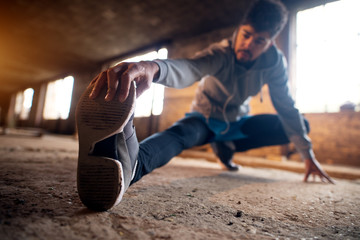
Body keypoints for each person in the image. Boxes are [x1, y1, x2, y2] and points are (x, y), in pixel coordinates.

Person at [75, 0, 334, 211]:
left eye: (259, 41)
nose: (248, 45)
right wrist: (153, 67)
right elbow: (191, 67)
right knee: (179, 136)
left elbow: (286, 105)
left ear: (270, 43)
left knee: (297, 124)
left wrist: (307, 155)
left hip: (237, 124)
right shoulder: (221, 53)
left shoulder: (274, 63)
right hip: (204, 119)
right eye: (246, 35)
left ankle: (225, 147)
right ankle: (129, 166)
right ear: (240, 29)